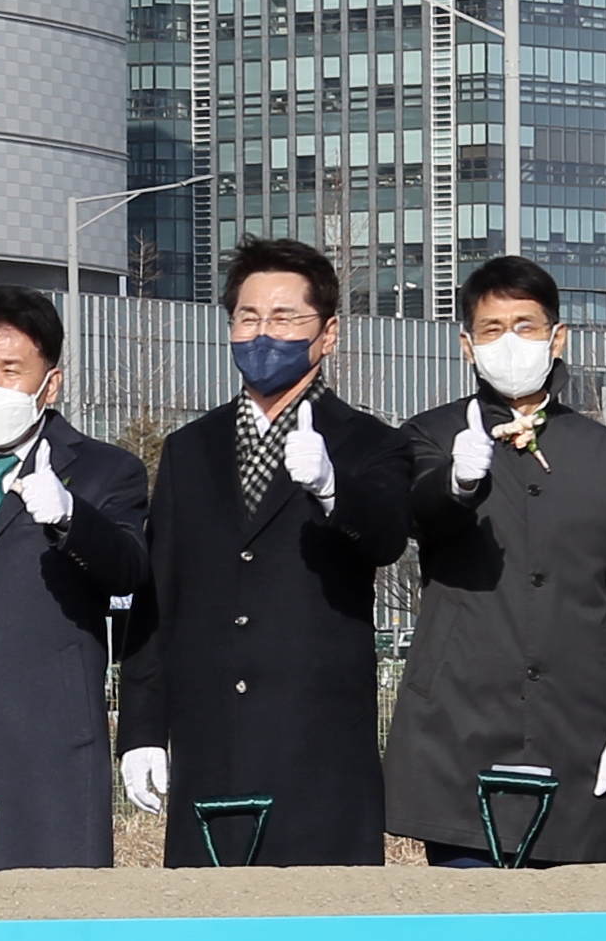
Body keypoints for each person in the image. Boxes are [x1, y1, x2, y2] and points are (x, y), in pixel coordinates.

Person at [116, 238, 412, 867]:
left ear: (327, 333)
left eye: (283, 319)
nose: (262, 334)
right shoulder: (189, 449)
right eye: (247, 318)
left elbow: (387, 536)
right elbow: (157, 594)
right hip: (211, 746)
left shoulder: (370, 443)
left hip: (320, 751)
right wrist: (142, 730)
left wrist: (334, 489)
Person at [386, 258, 606, 866]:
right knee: (468, 928)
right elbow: (414, 512)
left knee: (575, 939)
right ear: (467, 345)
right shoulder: (429, 436)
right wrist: (457, 482)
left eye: (525, 326)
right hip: (459, 732)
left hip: (580, 737)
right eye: (490, 329)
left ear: (557, 337)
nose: (508, 342)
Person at [0, 285, 147, 869]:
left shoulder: (105, 471)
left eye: (11, 370)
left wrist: (71, 517)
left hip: (50, 757)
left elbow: (130, 571)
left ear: (50, 382)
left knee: (54, 938)